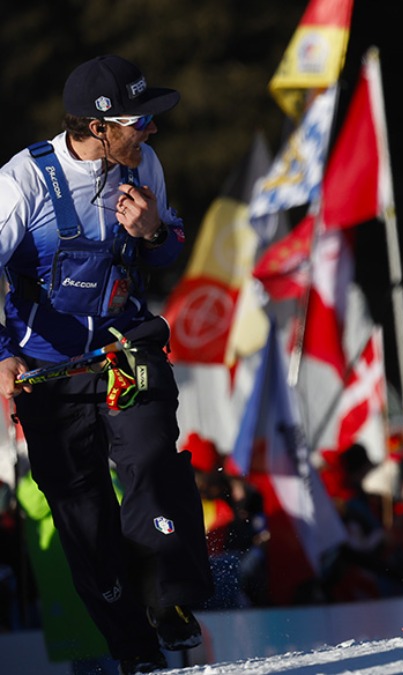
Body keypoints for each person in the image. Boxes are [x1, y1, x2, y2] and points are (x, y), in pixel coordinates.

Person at [0, 55, 211, 674]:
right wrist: (3, 356)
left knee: (151, 458)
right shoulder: (22, 181)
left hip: (127, 348)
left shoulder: (143, 163)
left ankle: (170, 596)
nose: (152, 132)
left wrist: (151, 234)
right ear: (99, 127)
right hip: (47, 372)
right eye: (140, 122)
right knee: (83, 516)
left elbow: (168, 243)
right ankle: (133, 650)